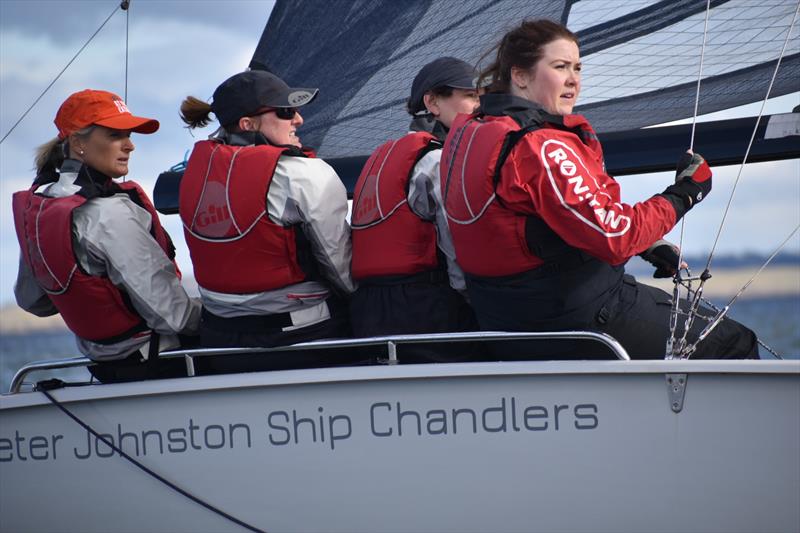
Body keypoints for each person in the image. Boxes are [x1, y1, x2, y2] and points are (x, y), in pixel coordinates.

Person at [439, 20, 758, 359]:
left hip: (504, 321)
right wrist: (684, 194)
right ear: (520, 76)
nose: (573, 80)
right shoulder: (540, 147)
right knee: (735, 343)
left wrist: (647, 243)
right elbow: (614, 236)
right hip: (576, 317)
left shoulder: (470, 134)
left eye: (577, 67)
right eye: (560, 67)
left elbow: (534, 222)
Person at [13, 89, 202, 381]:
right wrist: (228, 314)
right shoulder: (108, 214)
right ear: (78, 142)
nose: (129, 146)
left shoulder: (43, 206)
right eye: (115, 135)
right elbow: (172, 317)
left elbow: (33, 301)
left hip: (107, 368)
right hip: (161, 364)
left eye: (129, 135)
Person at [178, 70, 355, 368]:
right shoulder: (302, 173)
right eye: (285, 112)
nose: (298, 119)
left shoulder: (193, 176)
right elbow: (341, 268)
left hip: (220, 338)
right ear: (248, 124)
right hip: (303, 337)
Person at [349, 57, 481, 362]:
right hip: (427, 310)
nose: (479, 107)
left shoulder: (378, 158)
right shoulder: (436, 161)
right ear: (433, 102)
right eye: (471, 96)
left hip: (368, 312)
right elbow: (457, 254)